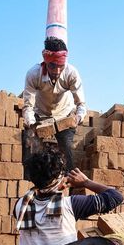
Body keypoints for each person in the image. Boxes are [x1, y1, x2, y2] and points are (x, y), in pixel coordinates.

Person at [22, 36, 86, 172]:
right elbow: (28, 106)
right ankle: (32, 183)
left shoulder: (72, 74)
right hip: (40, 114)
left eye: (61, 66)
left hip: (64, 114)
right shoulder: (33, 74)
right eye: (52, 66)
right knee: (32, 147)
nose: (57, 71)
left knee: (66, 148)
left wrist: (78, 118)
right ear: (45, 62)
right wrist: (32, 125)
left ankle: (69, 182)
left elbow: (81, 105)